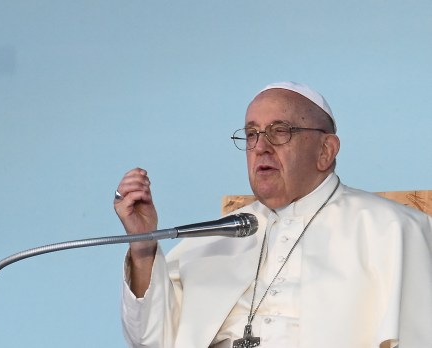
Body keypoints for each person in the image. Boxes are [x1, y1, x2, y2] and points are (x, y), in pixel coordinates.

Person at [113, 82, 432, 348]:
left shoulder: (395, 229)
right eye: (252, 134)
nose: (261, 147)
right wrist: (143, 245)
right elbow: (149, 341)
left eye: (280, 131)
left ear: (326, 151)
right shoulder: (219, 236)